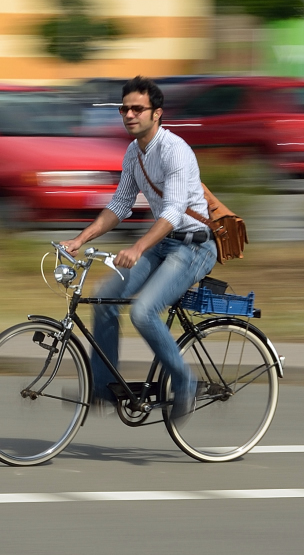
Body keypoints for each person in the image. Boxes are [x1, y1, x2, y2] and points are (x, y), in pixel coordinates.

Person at [61, 75, 215, 425]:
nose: (129, 114)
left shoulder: (174, 150)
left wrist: (138, 246)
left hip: (194, 248)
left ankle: (186, 381)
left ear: (156, 113)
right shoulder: (134, 152)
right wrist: (80, 239)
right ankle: (103, 387)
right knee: (104, 299)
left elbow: (174, 212)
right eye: (124, 108)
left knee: (144, 312)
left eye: (137, 108)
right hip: (163, 245)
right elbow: (120, 204)